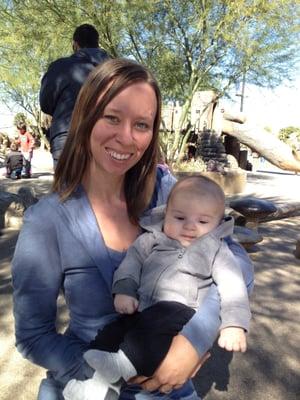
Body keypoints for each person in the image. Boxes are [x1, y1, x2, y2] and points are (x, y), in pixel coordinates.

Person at [12, 58, 254, 400]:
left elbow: (237, 264)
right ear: (85, 118)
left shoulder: (167, 192)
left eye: (141, 124)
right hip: (85, 382)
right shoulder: (48, 220)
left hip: (170, 387)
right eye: (112, 117)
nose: (126, 138)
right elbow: (33, 335)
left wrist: (191, 343)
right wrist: (107, 377)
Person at [63, 175, 251, 400]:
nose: (190, 227)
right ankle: (98, 386)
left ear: (218, 224)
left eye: (203, 222)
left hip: (179, 313)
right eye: (180, 217)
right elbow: (131, 262)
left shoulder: (217, 250)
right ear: (166, 214)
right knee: (113, 332)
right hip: (143, 308)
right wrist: (125, 288)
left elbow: (233, 285)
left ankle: (122, 365)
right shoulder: (152, 238)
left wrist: (234, 324)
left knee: (153, 327)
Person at [39, 23, 109, 166]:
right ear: (97, 44)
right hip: (106, 141)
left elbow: (46, 104)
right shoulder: (117, 70)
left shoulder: (60, 67)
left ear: (75, 44)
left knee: (67, 187)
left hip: (66, 140)